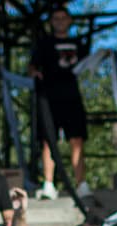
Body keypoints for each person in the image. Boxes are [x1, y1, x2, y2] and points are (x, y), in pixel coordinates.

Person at [29, 4, 91, 200]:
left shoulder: (78, 43)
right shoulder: (44, 44)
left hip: (72, 96)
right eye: (56, 18)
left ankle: (81, 184)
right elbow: (32, 66)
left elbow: (88, 64)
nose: (60, 22)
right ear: (51, 22)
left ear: (69, 21)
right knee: (48, 140)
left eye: (63, 18)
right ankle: (48, 183)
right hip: (49, 98)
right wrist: (34, 73)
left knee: (77, 141)